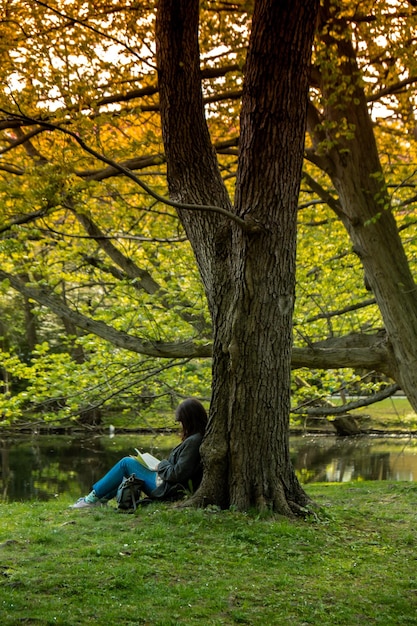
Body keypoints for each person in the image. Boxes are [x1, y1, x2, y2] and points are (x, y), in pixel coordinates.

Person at [70, 397, 208, 509]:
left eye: (181, 422)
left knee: (126, 463)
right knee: (129, 466)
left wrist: (161, 465)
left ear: (189, 420)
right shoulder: (195, 438)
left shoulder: (194, 441)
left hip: (167, 488)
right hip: (166, 483)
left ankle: (90, 500)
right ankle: (99, 499)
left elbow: (178, 473)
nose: (180, 425)